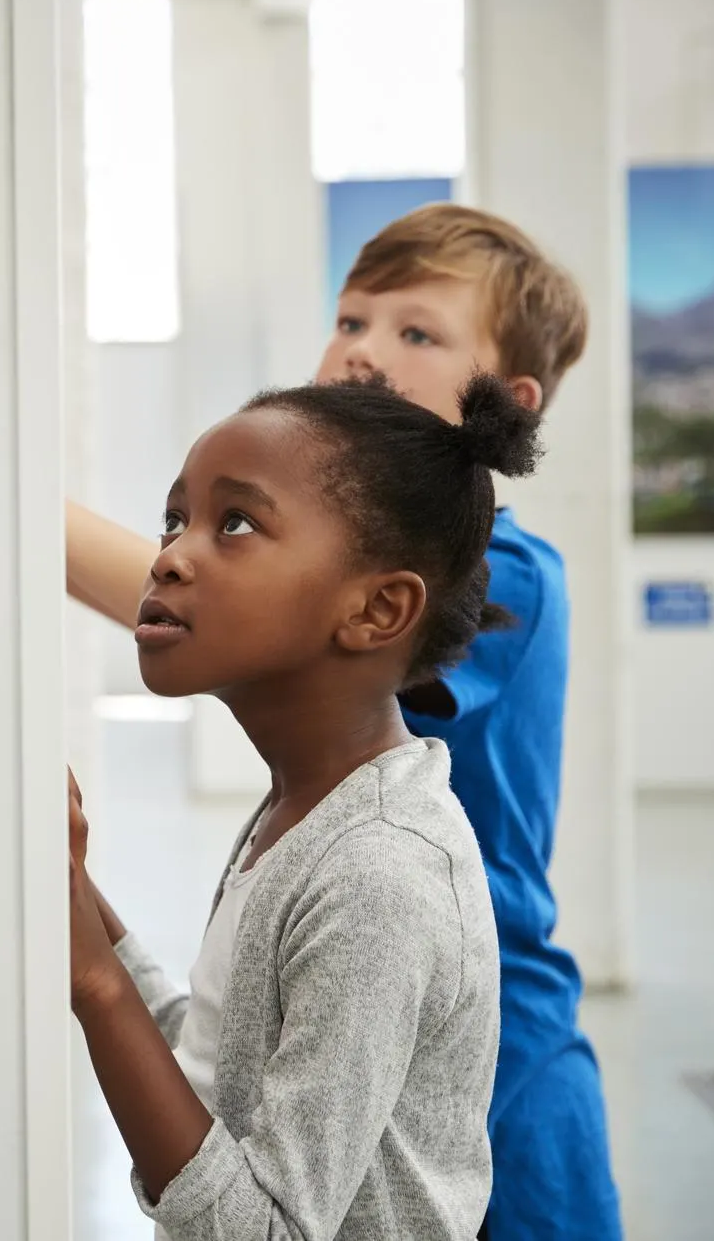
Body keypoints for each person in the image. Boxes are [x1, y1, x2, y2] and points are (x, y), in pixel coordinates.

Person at [66, 204, 622, 1241]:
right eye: (351, 320)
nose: (363, 353)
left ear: (381, 608)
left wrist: (20, 513)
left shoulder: (506, 580)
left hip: (503, 1074)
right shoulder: (300, 815)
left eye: (415, 333)